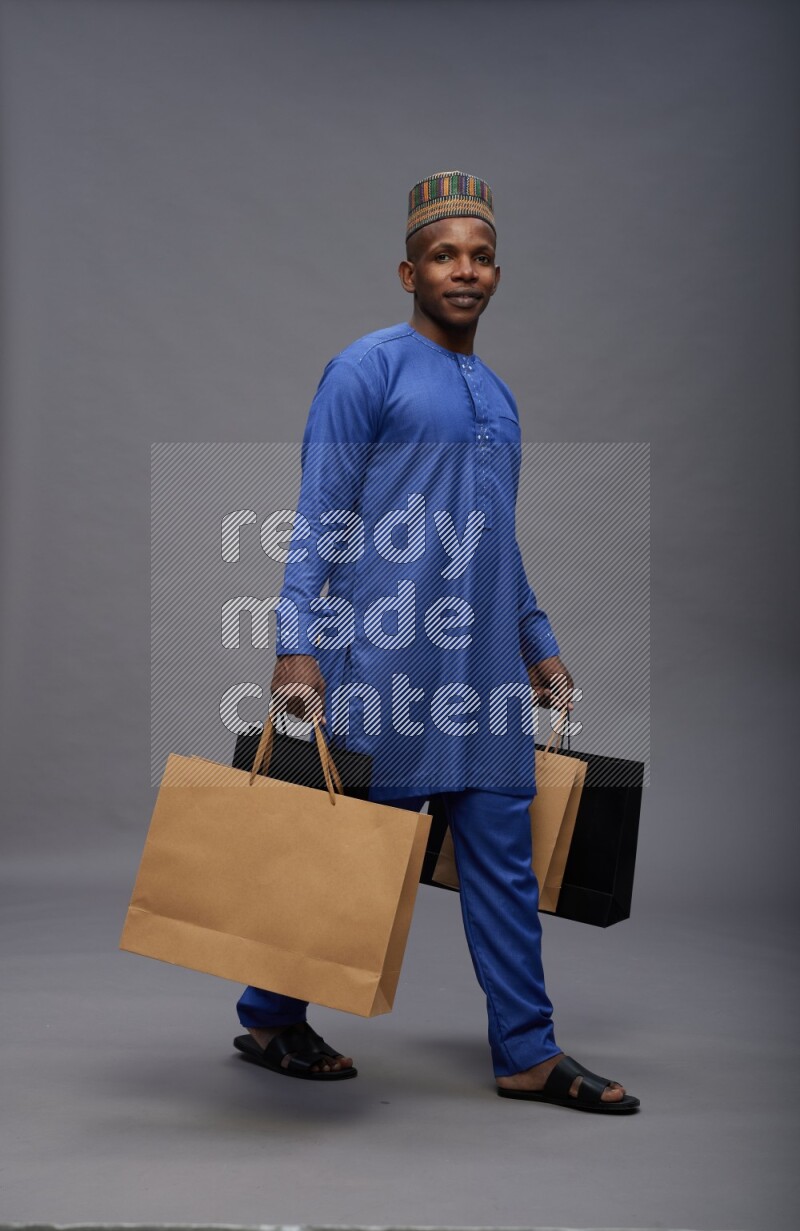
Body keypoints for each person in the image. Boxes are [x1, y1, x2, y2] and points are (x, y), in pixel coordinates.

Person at [232, 171, 639, 1113]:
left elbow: (496, 533)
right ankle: (268, 1011)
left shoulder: (498, 397)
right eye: (446, 254)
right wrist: (295, 643)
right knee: (354, 857)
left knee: (504, 857)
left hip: (483, 672)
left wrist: (538, 640)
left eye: (482, 254)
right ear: (408, 269)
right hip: (384, 661)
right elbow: (320, 514)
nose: (466, 269)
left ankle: (527, 1051)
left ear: (498, 271)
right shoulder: (364, 369)